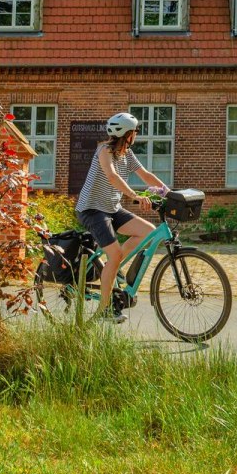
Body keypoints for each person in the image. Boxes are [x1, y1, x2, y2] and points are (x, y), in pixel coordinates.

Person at [75, 111, 170, 323]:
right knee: (116, 255)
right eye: (135, 131)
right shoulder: (104, 150)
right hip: (91, 209)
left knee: (148, 233)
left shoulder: (127, 154)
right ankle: (104, 310)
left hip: (112, 207)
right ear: (128, 134)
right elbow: (112, 175)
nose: (136, 134)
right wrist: (135, 196)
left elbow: (145, 175)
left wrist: (168, 192)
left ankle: (113, 265)